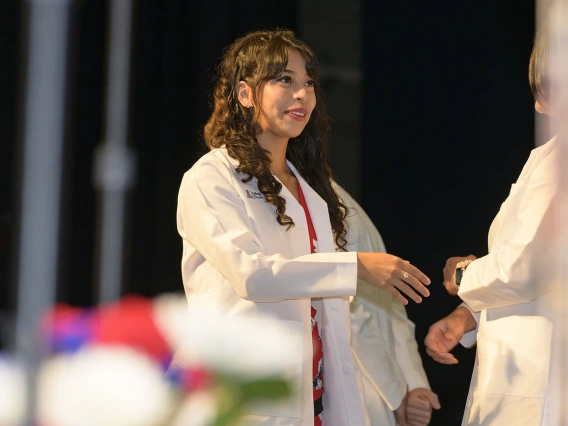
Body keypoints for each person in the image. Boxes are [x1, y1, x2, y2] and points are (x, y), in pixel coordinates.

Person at [176, 28, 431, 426]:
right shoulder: (211, 178)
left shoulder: (311, 191)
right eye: (285, 80)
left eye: (308, 83)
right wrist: (356, 267)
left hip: (314, 401)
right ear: (245, 94)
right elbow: (253, 275)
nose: (302, 94)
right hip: (243, 399)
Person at [203, 113, 440, 425]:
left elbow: (387, 301)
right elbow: (254, 279)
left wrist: (412, 383)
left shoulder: (324, 200)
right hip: (290, 386)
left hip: (357, 381)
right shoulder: (215, 190)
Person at [424, 25, 560, 425]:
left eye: (545, 91)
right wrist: (469, 313)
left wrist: (463, 276)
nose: (538, 108)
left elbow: (529, 267)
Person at [335, 183, 441, 426]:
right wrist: (398, 393)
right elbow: (349, 313)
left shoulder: (332, 194)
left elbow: (390, 303)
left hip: (375, 390)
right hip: (345, 384)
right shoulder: (292, 192)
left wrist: (413, 383)